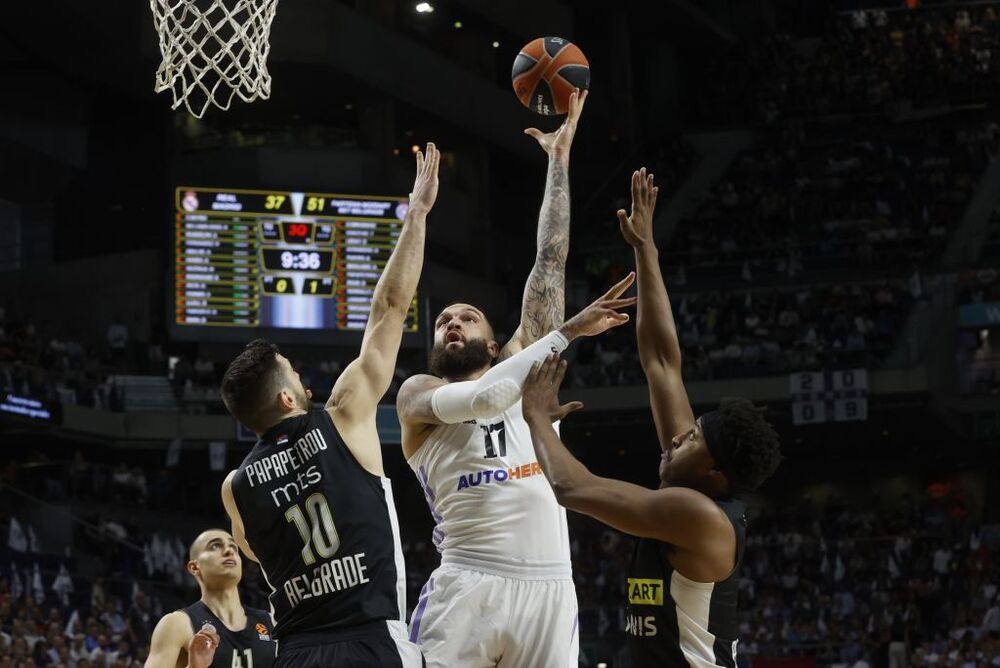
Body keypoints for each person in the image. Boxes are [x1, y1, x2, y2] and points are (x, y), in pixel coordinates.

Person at [520, 169, 782, 668]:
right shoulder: (693, 477)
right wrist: (646, 249)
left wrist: (536, 416)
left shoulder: (701, 516)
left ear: (715, 474)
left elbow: (573, 489)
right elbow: (662, 361)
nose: (678, 438)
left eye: (693, 441)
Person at [395, 90, 598, 667]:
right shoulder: (420, 395)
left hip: (552, 584)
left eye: (467, 317)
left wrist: (559, 160)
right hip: (470, 586)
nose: (452, 324)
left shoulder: (522, 365)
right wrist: (571, 330)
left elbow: (550, 261)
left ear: (493, 341)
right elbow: (486, 397)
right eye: (442, 321)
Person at [218, 143, 440, 667]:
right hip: (371, 638)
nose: (305, 379)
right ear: (286, 395)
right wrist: (419, 212)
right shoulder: (344, 415)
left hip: (295, 652)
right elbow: (389, 309)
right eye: (296, 373)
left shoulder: (235, 488)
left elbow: (255, 553)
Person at [145, 530, 274, 668]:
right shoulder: (176, 624)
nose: (228, 551)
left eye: (234, 548)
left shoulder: (270, 621)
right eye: (215, 546)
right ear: (194, 567)